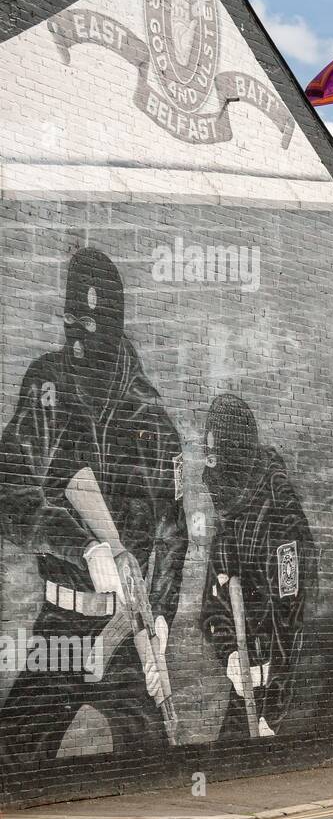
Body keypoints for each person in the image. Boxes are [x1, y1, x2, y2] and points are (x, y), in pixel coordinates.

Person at [0, 248, 188, 770]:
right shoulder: (45, 389)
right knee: (13, 758)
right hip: (60, 625)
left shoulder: (151, 418)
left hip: (127, 626)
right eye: (68, 320)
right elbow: (12, 496)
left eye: (87, 322)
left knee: (157, 762)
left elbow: (173, 534)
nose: (76, 335)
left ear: (112, 324)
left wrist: (162, 620)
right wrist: (83, 546)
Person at [199, 393, 312, 739]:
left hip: (270, 699)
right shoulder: (230, 512)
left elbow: (290, 620)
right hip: (244, 686)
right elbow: (211, 604)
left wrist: (273, 714)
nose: (210, 466)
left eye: (216, 454)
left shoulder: (279, 517)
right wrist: (229, 651)